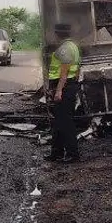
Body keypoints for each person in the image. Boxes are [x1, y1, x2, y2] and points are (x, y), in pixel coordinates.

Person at [45, 22, 82, 163]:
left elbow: (64, 73)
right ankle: (57, 153)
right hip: (69, 85)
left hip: (63, 86)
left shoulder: (64, 48)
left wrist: (58, 91)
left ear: (58, 34)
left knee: (65, 123)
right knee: (59, 122)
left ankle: (73, 155)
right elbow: (77, 68)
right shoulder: (74, 46)